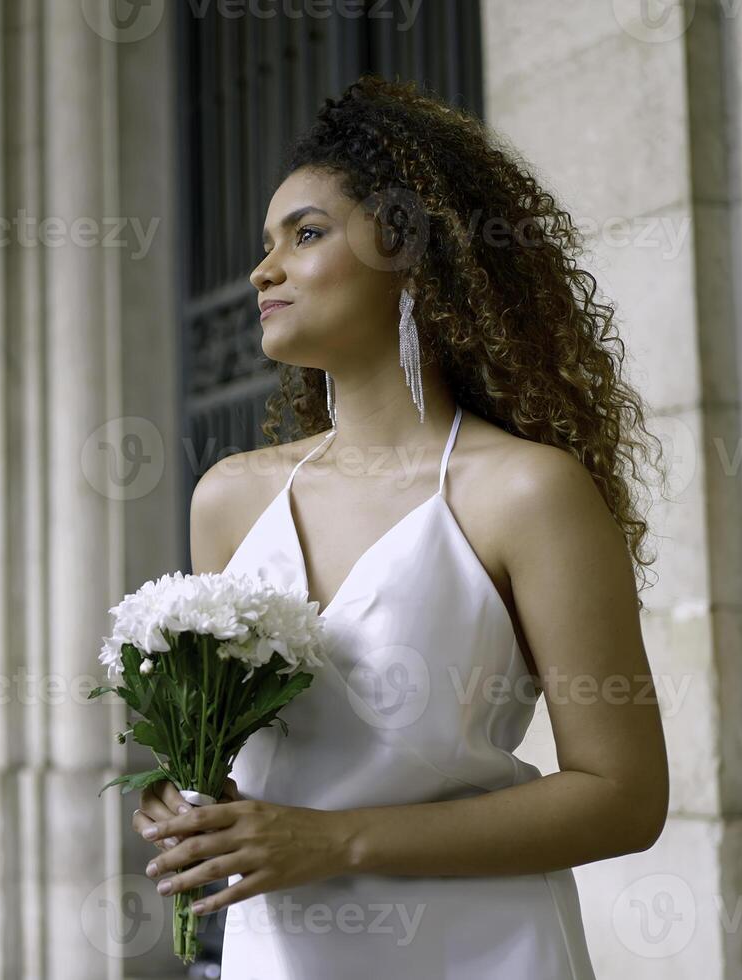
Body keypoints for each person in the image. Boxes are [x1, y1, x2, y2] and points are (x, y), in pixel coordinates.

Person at [133, 76, 669, 979]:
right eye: (266, 244)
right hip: (284, 952)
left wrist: (335, 842)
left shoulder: (527, 493)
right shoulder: (229, 499)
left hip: (485, 952)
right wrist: (185, 798)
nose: (263, 270)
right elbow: (253, 765)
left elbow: (624, 798)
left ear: (410, 250)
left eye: (305, 234)